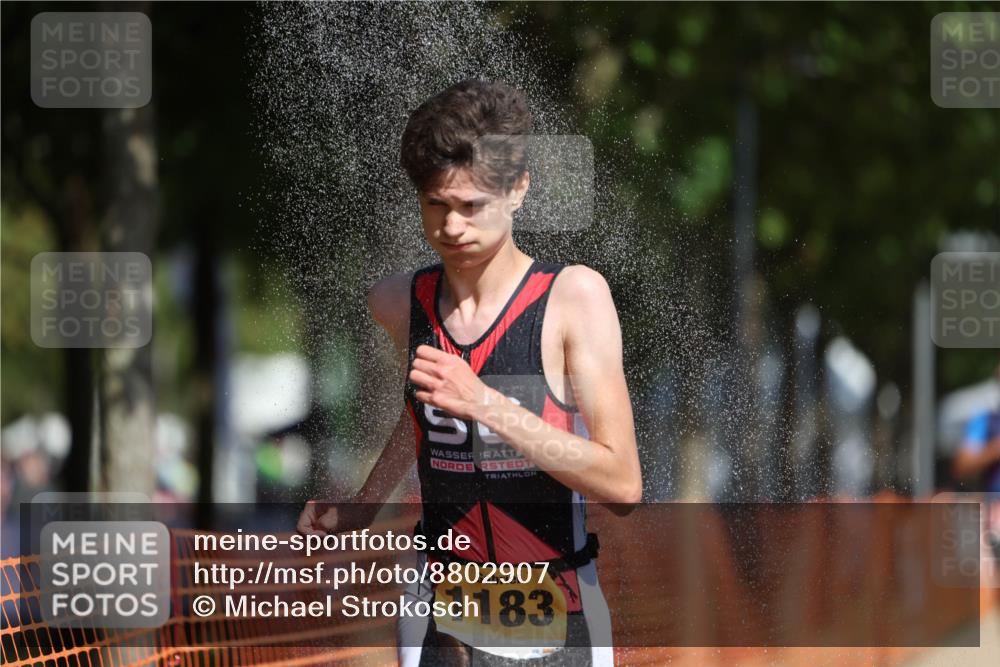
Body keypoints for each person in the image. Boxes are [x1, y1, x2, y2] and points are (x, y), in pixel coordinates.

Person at [298, 79, 641, 666]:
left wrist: (487, 403)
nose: (452, 227)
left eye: (471, 206)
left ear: (519, 190)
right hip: (439, 607)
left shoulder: (571, 299)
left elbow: (622, 483)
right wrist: (365, 502)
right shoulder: (399, 303)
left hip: (555, 606)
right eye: (436, 205)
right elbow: (426, 412)